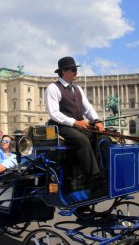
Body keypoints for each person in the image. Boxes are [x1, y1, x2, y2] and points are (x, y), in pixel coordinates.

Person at [45, 56, 105, 190]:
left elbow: (88, 108)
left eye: (75, 69)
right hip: (60, 126)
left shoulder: (77, 89)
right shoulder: (53, 88)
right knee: (82, 140)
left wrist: (97, 121)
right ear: (63, 71)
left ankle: (105, 170)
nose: (76, 72)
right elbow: (54, 113)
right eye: (73, 69)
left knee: (102, 137)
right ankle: (94, 177)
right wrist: (74, 122)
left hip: (77, 125)